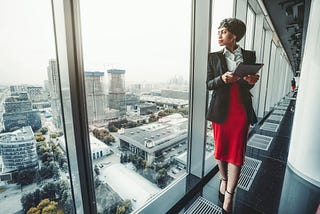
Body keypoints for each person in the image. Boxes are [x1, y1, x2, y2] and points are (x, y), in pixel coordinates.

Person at [206, 18, 260, 213]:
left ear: (234, 35)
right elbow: (208, 84)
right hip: (220, 108)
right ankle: (224, 179)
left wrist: (251, 80)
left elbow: (250, 83)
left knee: (237, 152)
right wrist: (221, 78)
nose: (219, 35)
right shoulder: (213, 57)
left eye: (223, 32)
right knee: (220, 150)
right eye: (219, 32)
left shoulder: (249, 55)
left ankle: (229, 195)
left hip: (241, 108)